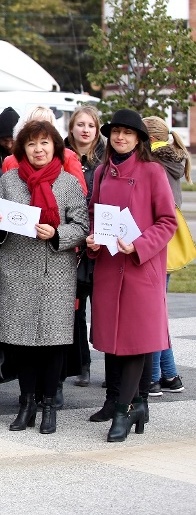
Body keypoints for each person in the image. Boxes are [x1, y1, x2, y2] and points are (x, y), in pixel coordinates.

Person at [0, 120, 88, 434]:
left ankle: (49, 406)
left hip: (55, 273)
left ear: (55, 146)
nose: (38, 149)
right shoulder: (9, 180)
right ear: (22, 149)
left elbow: (81, 227)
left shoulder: (68, 183)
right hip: (17, 271)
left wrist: (57, 233)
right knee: (22, 343)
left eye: (44, 142)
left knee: (53, 343)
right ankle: (26, 403)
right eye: (31, 144)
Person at [85, 109, 176, 442]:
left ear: (139, 139)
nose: (120, 137)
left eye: (127, 132)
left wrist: (139, 245)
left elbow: (167, 221)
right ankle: (132, 404)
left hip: (141, 268)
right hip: (110, 268)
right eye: (116, 132)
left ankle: (124, 411)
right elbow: (95, 214)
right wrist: (93, 239)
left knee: (136, 342)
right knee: (113, 341)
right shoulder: (101, 173)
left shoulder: (153, 171)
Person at [141, 115, 188, 398]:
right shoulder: (172, 161)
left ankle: (154, 377)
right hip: (166, 247)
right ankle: (169, 375)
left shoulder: (153, 163)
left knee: (153, 313)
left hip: (155, 245)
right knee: (157, 310)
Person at [64, 105, 105, 388]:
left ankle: (114, 367)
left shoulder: (106, 158)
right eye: (80, 124)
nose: (85, 130)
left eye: (91, 125)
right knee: (76, 311)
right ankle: (82, 365)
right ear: (72, 128)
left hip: (100, 244)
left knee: (103, 309)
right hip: (73, 245)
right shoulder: (61, 155)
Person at [2, 107, 88, 195]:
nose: (39, 130)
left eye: (45, 126)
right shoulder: (11, 161)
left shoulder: (67, 157)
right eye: (33, 125)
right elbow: (4, 194)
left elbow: (80, 194)